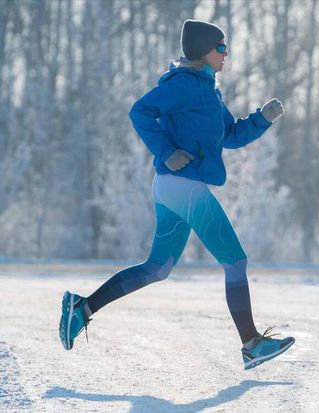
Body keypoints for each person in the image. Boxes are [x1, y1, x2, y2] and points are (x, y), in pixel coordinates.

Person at [58, 19, 294, 370]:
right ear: (204, 51)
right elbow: (140, 111)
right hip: (183, 186)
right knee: (235, 261)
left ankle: (83, 308)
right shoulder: (184, 84)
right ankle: (251, 344)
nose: (226, 54)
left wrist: (262, 118)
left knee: (157, 268)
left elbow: (230, 135)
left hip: (173, 186)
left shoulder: (206, 89)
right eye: (221, 47)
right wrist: (166, 150)